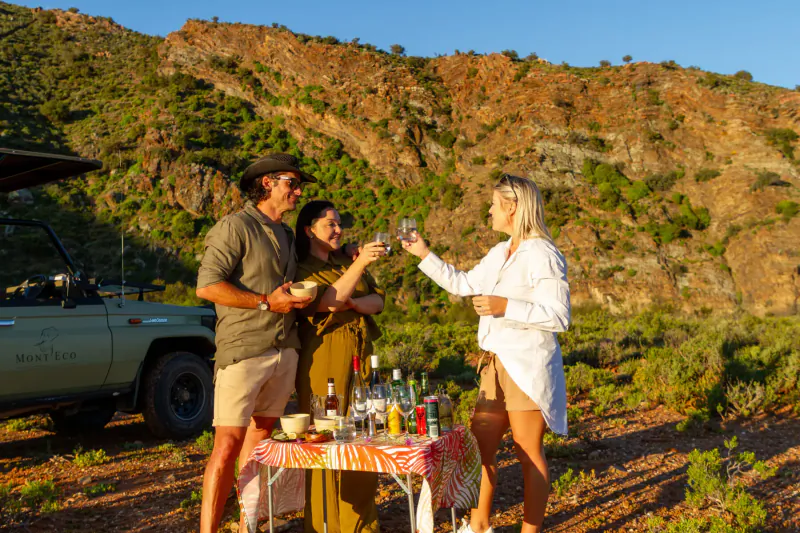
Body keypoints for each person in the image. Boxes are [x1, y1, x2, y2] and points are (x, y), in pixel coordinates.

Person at [400, 174, 570, 533]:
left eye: (494, 203)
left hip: (527, 366)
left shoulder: (543, 253)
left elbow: (559, 316)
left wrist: (505, 305)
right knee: (480, 449)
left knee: (527, 451)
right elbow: (462, 283)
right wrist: (423, 253)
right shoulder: (498, 252)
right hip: (493, 365)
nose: (488, 210)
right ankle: (478, 526)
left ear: (512, 206)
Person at [196, 153, 316, 533]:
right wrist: (266, 301)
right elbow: (207, 286)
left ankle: (248, 523)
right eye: (292, 183)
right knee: (227, 444)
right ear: (268, 183)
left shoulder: (285, 233)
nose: (297, 191)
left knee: (261, 438)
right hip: (244, 348)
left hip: (285, 349)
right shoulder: (234, 226)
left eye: (298, 186)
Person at [293, 200, 387, 533]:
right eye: (330, 224)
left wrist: (354, 304)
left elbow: (378, 301)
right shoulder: (302, 268)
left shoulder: (343, 261)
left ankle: (361, 524)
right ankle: (324, 524)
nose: (338, 229)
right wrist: (360, 261)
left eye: (339, 224)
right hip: (325, 356)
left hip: (359, 355)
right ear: (309, 230)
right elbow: (326, 303)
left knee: (360, 433)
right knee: (325, 437)